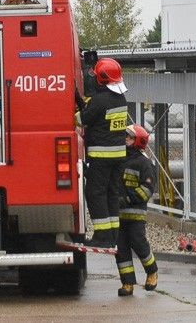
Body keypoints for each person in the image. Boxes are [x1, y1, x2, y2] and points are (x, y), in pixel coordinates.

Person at [75, 57, 128, 248]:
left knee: (95, 193)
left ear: (101, 79)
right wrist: (83, 103)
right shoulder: (120, 98)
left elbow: (83, 119)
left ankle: (102, 237)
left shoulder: (99, 100)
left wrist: (75, 108)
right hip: (118, 156)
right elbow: (99, 116)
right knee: (112, 194)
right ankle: (113, 235)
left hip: (101, 156)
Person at [116, 124, 158, 296]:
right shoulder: (118, 160)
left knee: (139, 243)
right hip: (118, 215)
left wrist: (128, 198)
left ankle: (152, 272)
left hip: (135, 215)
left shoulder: (144, 164)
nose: (125, 139)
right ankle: (127, 284)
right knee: (121, 250)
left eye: (129, 137)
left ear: (138, 142)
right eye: (126, 136)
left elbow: (147, 189)